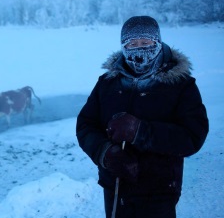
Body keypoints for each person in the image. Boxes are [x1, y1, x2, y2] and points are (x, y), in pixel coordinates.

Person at [76, 16, 209, 218]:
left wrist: (141, 132)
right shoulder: (107, 83)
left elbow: (192, 137)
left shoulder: (181, 85)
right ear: (123, 46)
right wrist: (105, 153)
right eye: (132, 44)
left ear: (158, 43)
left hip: (159, 190)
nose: (139, 50)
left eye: (146, 43)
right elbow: (85, 125)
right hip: (115, 187)